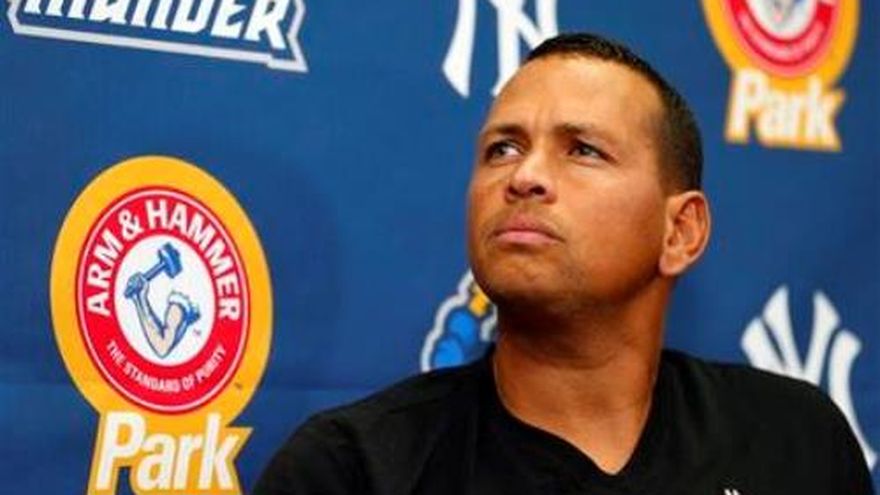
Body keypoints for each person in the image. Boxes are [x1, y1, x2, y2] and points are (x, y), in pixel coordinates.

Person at [253, 32, 875, 494]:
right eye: (503, 148)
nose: (524, 176)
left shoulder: (795, 443)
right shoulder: (352, 470)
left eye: (583, 150)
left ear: (680, 232)